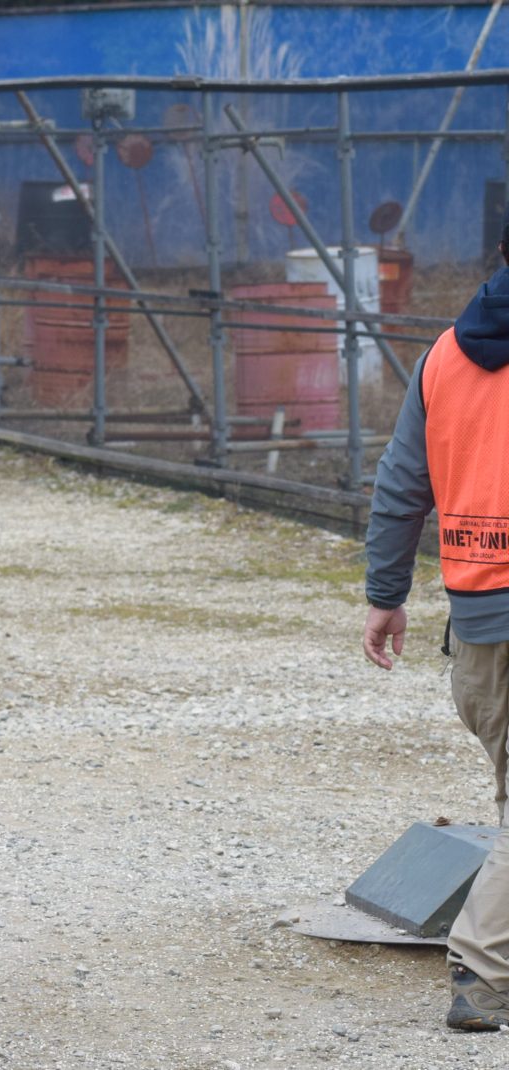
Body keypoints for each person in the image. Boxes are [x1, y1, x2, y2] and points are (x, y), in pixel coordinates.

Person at [364, 225, 509, 1030]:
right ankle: (482, 974)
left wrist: (387, 594)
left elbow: (401, 483)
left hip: (479, 627)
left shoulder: (445, 357)